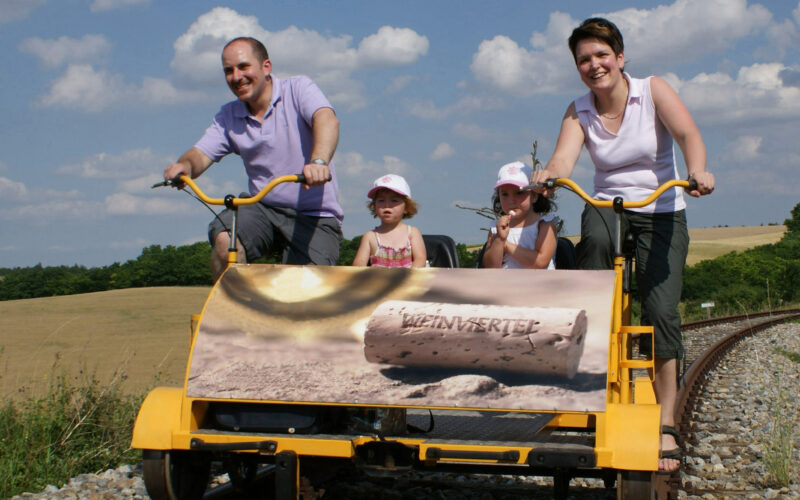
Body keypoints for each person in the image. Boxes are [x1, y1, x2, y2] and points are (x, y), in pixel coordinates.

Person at [530, 18, 715, 473]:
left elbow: (689, 135)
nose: (594, 66)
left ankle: (665, 420)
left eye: (601, 55)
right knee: (592, 248)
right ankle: (596, 371)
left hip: (660, 205)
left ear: (620, 56)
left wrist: (698, 171)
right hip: (606, 201)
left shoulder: (652, 90)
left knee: (661, 311)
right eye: (584, 60)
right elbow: (563, 157)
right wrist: (548, 176)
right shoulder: (578, 110)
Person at [163, 37, 343, 281]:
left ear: (266, 67)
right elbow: (200, 154)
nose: (237, 77)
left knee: (308, 291)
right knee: (226, 241)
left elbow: (326, 119)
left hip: (314, 214)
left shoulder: (298, 89)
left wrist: (319, 162)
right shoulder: (228, 115)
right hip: (263, 209)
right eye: (229, 71)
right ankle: (235, 313)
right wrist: (184, 166)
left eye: (244, 67)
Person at [482, 161, 558, 269]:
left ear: (534, 196)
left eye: (519, 193)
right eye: (505, 194)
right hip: (505, 285)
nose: (511, 200)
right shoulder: (496, 228)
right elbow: (490, 267)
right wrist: (499, 241)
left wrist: (507, 245)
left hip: (539, 284)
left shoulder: (544, 225)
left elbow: (539, 263)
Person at [352, 174, 426, 268]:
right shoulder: (370, 236)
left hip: (408, 280)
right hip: (378, 281)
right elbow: (359, 262)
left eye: (394, 200)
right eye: (381, 200)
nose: (387, 205)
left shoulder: (412, 233)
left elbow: (420, 259)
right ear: (374, 206)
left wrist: (406, 276)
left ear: (406, 207)